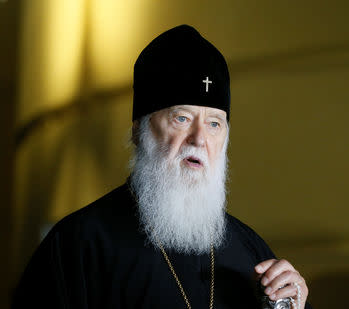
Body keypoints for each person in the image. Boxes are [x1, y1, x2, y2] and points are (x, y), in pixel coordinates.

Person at [12, 25, 311, 309]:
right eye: (181, 119)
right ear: (138, 130)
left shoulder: (250, 252)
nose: (199, 139)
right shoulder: (78, 246)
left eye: (214, 124)